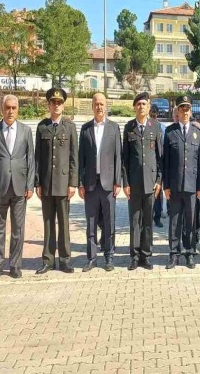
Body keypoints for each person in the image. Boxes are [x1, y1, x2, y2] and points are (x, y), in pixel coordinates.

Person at [0, 95, 35, 280]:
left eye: (14, 108)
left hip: (20, 188)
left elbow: (31, 159)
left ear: (18, 110)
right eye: (7, 107)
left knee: (18, 229)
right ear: (2, 109)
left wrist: (30, 185)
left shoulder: (26, 131)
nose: (10, 111)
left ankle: (15, 265)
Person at [34, 88, 78, 274]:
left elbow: (74, 157)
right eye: (53, 102)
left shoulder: (69, 127)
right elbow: (37, 157)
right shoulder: (42, 127)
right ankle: (48, 260)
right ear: (49, 105)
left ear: (63, 105)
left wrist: (73, 183)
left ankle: (65, 260)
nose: (56, 105)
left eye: (59, 102)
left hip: (63, 183)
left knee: (64, 223)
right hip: (46, 183)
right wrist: (37, 182)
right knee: (48, 222)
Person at [79, 92, 122, 272]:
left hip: (108, 183)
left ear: (106, 106)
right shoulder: (85, 129)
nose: (99, 107)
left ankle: (109, 257)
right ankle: (91, 258)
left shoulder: (114, 128)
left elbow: (118, 156)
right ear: (92, 106)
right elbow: (81, 158)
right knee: (91, 223)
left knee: (109, 222)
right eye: (96, 104)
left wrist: (118, 181)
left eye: (102, 104)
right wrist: (80, 183)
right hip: (90, 183)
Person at [122, 92, 163, 270]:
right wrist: (125, 183)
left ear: (148, 107)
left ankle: (146, 255)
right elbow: (124, 159)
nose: (141, 107)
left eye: (144, 104)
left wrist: (159, 180)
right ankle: (134, 255)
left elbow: (160, 157)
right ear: (134, 107)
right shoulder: (129, 127)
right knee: (134, 221)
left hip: (151, 183)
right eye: (138, 104)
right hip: (134, 183)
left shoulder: (155, 127)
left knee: (147, 222)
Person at [163, 95, 200, 269]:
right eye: (182, 109)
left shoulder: (197, 132)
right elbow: (165, 162)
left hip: (192, 186)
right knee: (175, 221)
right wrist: (166, 185)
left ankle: (190, 252)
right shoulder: (170, 132)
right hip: (175, 185)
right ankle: (174, 254)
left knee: (191, 221)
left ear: (190, 111)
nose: (185, 112)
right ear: (177, 111)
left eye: (187, 109)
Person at [151, 104, 167, 228]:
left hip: (159, 163)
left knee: (158, 192)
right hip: (149, 164)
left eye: (154, 115)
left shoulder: (162, 128)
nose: (153, 117)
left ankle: (157, 217)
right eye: (151, 115)